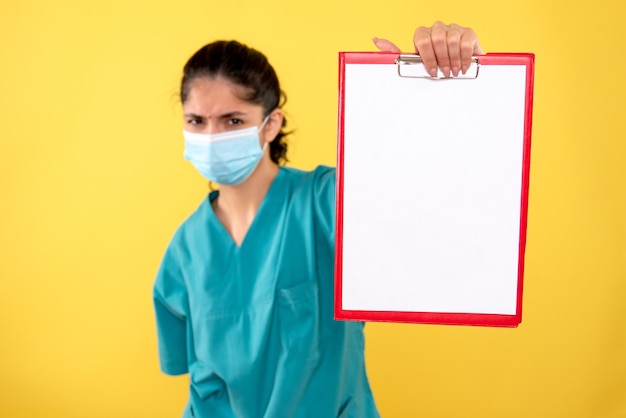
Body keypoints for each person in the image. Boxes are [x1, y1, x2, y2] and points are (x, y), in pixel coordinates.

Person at [153, 21, 483, 418]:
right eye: (196, 121)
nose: (211, 136)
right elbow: (197, 382)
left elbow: (423, 197)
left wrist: (440, 88)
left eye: (233, 120)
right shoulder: (184, 252)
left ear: (270, 124)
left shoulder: (324, 202)